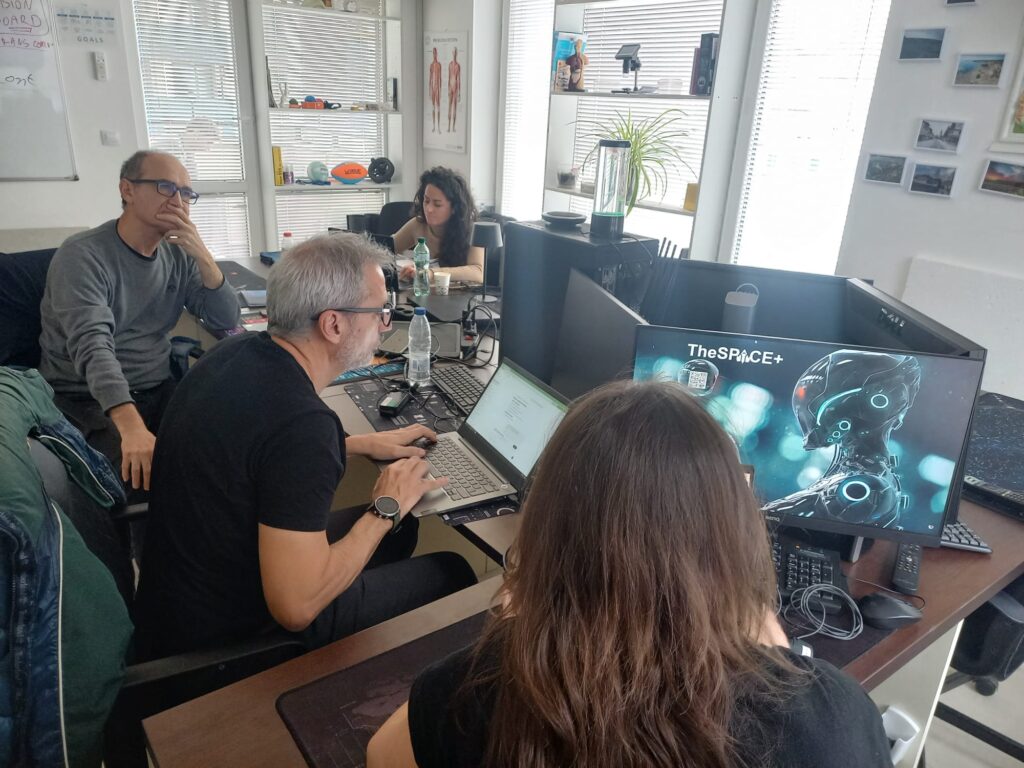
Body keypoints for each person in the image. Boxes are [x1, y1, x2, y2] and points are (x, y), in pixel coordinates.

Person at [367, 381, 892, 768]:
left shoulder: (464, 693)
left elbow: (381, 756)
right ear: (732, 533)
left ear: (548, 528)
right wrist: (771, 652)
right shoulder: (834, 716)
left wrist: (510, 633)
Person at [132, 234, 477, 659]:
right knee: (450, 570)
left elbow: (256, 452)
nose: (385, 326)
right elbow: (296, 608)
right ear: (333, 325)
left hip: (177, 602)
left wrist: (356, 443)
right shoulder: (302, 424)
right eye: (380, 313)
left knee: (402, 531)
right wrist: (385, 507)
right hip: (224, 642)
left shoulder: (234, 353)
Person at [38, 150, 240, 492]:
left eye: (186, 193)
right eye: (166, 187)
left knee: (232, 451)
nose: (178, 201)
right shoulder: (82, 255)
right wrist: (131, 426)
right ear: (127, 190)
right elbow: (93, 347)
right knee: (142, 478)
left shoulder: (179, 254)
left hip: (157, 388)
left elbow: (224, 318)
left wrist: (204, 256)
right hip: (86, 400)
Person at [393, 167, 484, 285]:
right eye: (426, 201)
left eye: (437, 204)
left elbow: (478, 272)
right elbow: (386, 248)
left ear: (454, 208)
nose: (429, 209)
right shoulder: (418, 224)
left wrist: (431, 273)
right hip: (425, 292)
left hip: (459, 294)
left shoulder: (472, 230)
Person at [447, 47, 461, 133]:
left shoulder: (458, 66)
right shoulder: (450, 64)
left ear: (456, 53)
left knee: (454, 108)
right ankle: (449, 127)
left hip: (455, 88)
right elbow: (449, 77)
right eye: (453, 52)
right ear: (452, 53)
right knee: (449, 107)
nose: (454, 54)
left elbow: (458, 79)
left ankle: (453, 127)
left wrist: (459, 93)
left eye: (456, 52)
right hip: (451, 87)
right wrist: (448, 88)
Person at [428, 47, 442, 134]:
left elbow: (440, 78)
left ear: (437, 53)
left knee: (438, 107)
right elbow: (430, 79)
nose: (434, 54)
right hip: (433, 88)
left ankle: (439, 127)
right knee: (433, 107)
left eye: (435, 53)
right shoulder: (431, 65)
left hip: (437, 88)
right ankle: (434, 126)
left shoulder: (439, 65)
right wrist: (429, 91)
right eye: (433, 53)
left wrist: (440, 90)